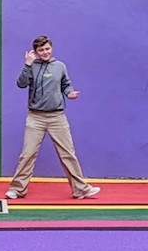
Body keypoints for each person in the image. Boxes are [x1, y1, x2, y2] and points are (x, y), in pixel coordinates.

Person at [6, 35, 101, 200]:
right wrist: (27, 65)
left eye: (47, 49)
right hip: (35, 118)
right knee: (27, 154)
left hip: (57, 117)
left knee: (68, 153)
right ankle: (17, 189)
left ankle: (80, 189)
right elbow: (21, 84)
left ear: (52, 48)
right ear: (35, 51)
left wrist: (69, 93)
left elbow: (66, 83)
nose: (45, 52)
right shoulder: (31, 66)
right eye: (41, 50)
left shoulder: (60, 66)